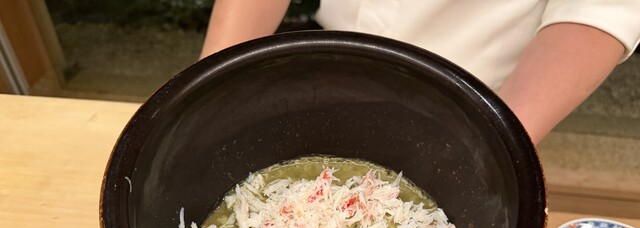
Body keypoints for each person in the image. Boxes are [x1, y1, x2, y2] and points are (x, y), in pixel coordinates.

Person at [200, 0, 640, 145]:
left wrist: (498, 145)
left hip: (476, 97)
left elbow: (600, 9)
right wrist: (206, 91)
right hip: (327, 50)